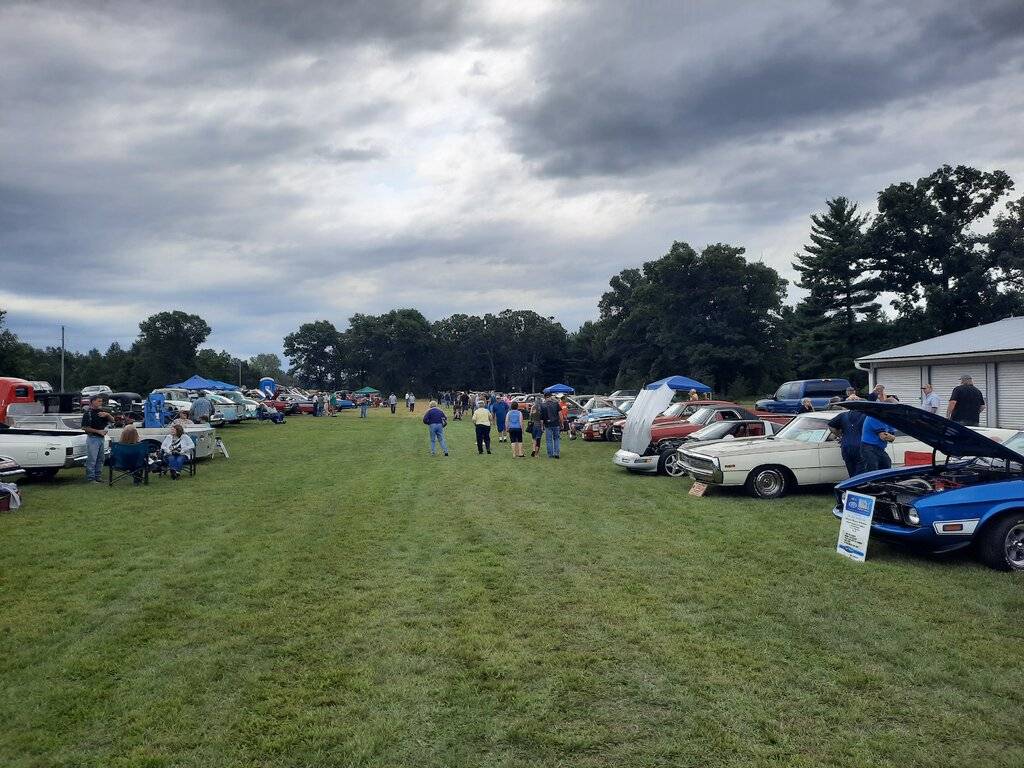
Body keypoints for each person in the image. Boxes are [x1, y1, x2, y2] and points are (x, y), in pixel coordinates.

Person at [828, 397, 866, 476]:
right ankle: (858, 486)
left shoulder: (843, 415)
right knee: (861, 473)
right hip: (861, 446)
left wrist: (840, 435)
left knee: (851, 472)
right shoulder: (866, 416)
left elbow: (831, 426)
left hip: (846, 446)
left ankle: (853, 486)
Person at [81, 395, 113, 484]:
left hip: (101, 439)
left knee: (101, 459)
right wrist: (98, 431)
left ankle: (98, 477)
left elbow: (113, 420)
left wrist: (108, 414)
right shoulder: (88, 413)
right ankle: (91, 478)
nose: (100, 403)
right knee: (92, 459)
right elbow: (84, 428)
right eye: (99, 401)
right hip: (93, 438)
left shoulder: (102, 412)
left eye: (101, 401)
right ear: (92, 402)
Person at [860, 399, 897, 472]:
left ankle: (884, 483)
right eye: (894, 409)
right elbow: (883, 436)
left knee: (886, 465)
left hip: (879, 448)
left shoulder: (887, 418)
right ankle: (870, 483)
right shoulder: (875, 416)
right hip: (869, 448)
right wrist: (891, 437)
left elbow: (891, 436)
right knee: (872, 470)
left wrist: (891, 436)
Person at [541, 392, 561, 459]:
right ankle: (557, 453)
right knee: (556, 439)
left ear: (544, 397)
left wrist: (542, 426)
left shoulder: (543, 405)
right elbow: (560, 414)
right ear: (551, 397)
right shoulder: (556, 404)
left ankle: (550, 455)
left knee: (549, 440)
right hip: (556, 423)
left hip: (547, 424)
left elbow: (541, 418)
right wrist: (562, 422)